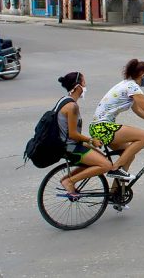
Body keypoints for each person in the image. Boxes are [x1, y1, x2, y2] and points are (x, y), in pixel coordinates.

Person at [56, 71, 112, 200]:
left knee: (100, 157)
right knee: (106, 165)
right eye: (84, 83)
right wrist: (91, 140)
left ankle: (67, 179)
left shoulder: (65, 100)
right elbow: (73, 134)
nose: (85, 86)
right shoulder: (72, 107)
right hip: (69, 147)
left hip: (69, 144)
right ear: (77, 87)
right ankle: (69, 181)